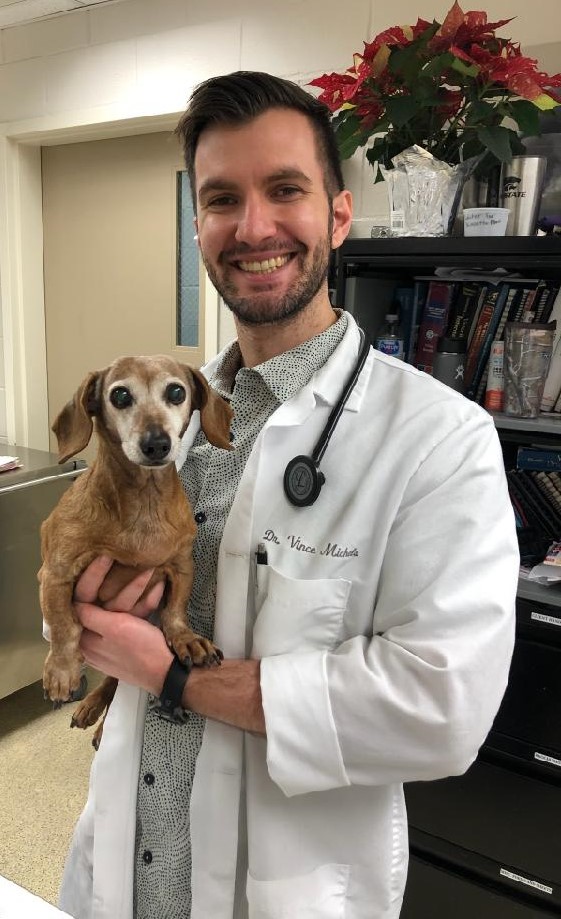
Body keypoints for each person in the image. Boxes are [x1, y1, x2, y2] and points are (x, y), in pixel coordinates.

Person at [58, 71, 519, 919]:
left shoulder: (438, 438)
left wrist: (170, 673)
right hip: (124, 866)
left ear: (338, 216)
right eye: (220, 199)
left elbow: (440, 707)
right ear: (198, 228)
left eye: (284, 190)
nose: (252, 227)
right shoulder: (172, 415)